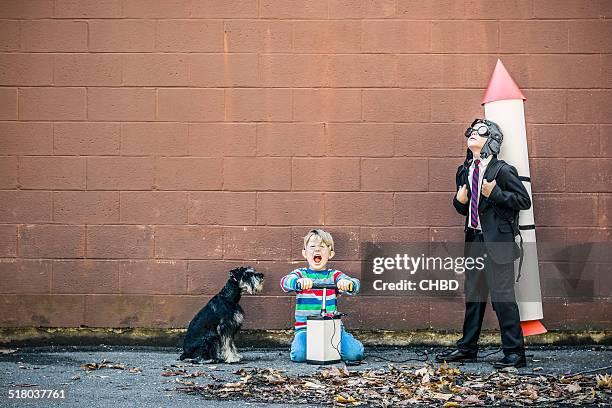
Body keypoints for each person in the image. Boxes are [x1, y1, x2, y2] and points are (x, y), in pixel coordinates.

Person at [436, 119, 531, 369]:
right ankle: (467, 348)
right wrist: (459, 200)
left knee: (503, 298)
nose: (472, 135)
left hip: (498, 243)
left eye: (481, 132)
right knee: (474, 298)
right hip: (475, 241)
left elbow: (523, 200)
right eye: (471, 132)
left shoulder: (502, 170)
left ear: (492, 140)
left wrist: (495, 193)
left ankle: (514, 353)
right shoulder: (464, 170)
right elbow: (462, 207)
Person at [280, 229, 364, 362]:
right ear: (304, 253)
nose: (317, 250)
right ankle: (299, 346)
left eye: (322, 247)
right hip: (306, 329)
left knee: (354, 354)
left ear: (330, 254)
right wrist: (297, 282)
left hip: (332, 327)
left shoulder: (334, 275)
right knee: (299, 355)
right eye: (312, 247)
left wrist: (347, 284)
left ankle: (349, 344)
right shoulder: (301, 274)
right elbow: (284, 282)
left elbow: (356, 284)